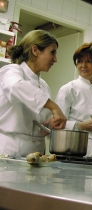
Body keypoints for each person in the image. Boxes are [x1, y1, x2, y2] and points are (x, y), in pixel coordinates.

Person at [0, 30, 67, 158]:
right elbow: (15, 86)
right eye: (52, 52)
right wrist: (53, 106)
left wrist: (50, 123)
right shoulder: (12, 70)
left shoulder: (44, 85)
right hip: (11, 149)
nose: (55, 59)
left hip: (37, 152)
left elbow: (39, 120)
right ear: (35, 50)